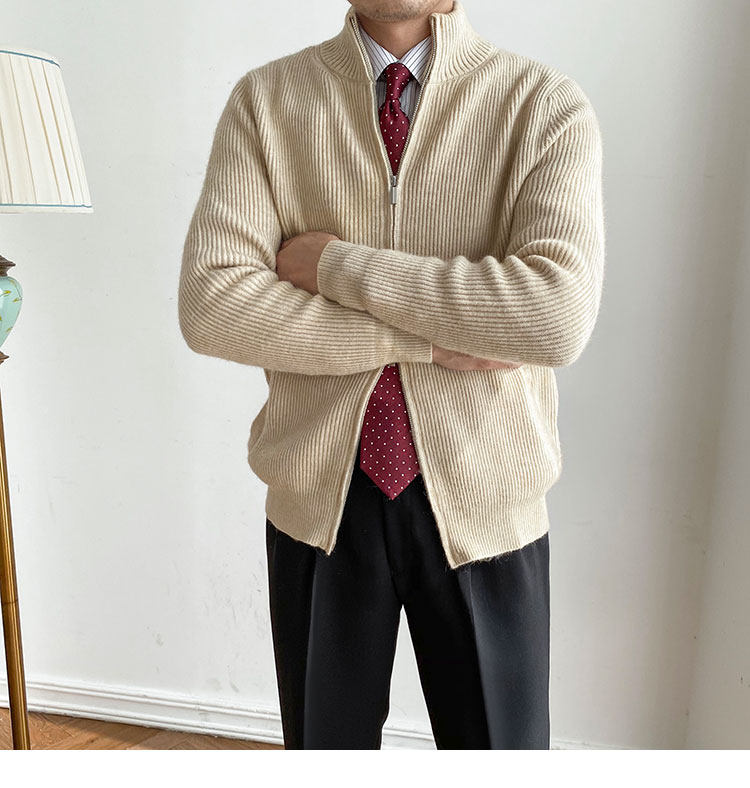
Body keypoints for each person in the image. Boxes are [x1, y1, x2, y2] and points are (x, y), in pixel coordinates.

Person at [178, 0, 605, 749]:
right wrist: (435, 341)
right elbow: (214, 305)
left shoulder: (542, 104)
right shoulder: (266, 101)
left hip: (487, 500)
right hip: (319, 499)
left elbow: (553, 316)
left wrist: (332, 265)